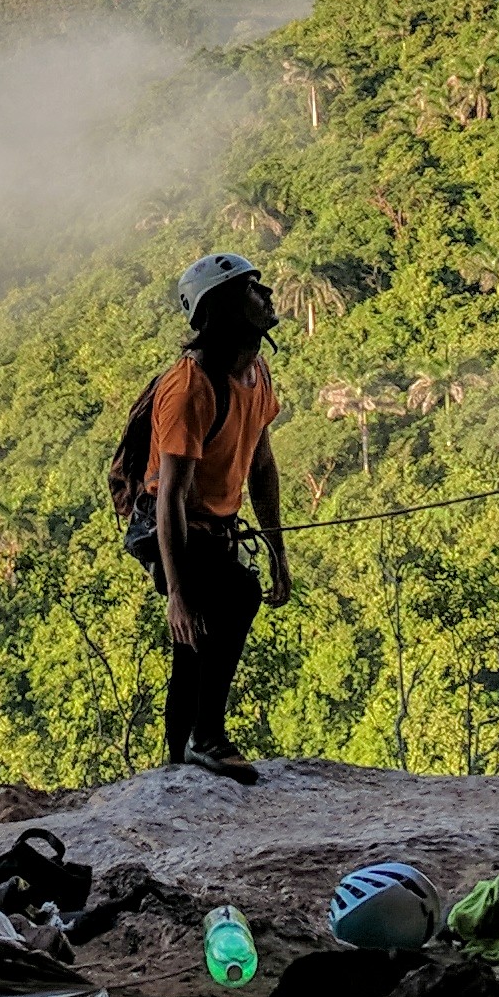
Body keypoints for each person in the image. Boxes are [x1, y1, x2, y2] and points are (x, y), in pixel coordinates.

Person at [146, 249, 294, 783]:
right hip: (173, 525)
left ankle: (179, 759)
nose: (268, 296)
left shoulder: (255, 373)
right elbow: (169, 496)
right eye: (255, 289)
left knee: (197, 643)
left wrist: (278, 551)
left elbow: (262, 466)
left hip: (214, 525)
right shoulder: (190, 389)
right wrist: (178, 596)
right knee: (232, 596)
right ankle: (204, 738)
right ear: (225, 307)